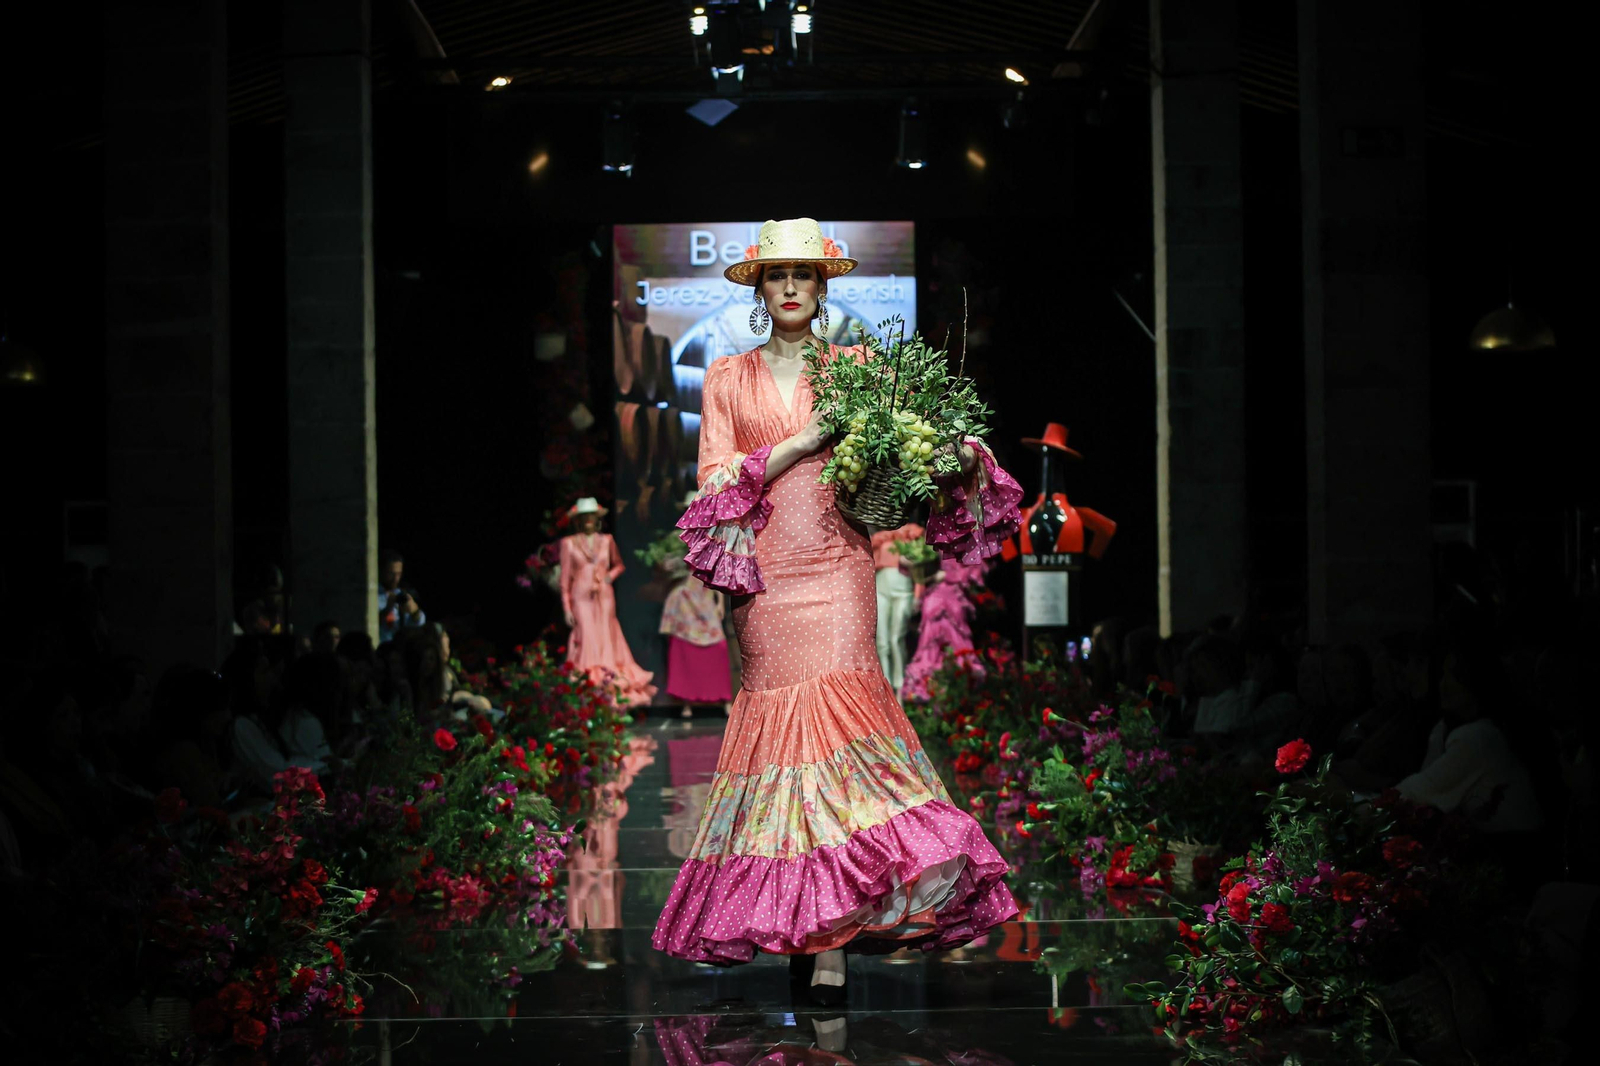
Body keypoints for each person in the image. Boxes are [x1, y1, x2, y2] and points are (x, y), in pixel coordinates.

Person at [651, 218, 1023, 1002]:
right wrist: (799, 443)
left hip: (839, 568)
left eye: (803, 274)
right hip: (765, 582)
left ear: (822, 288)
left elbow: (917, 442)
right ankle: (806, 916)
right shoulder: (727, 377)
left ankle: (831, 944)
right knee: (785, 754)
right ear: (759, 289)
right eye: (776, 274)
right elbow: (713, 482)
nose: (789, 286)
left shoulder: (859, 368)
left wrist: (954, 457)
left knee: (841, 739)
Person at [559, 498, 656, 707]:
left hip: (603, 595)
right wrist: (566, 608)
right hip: (581, 597)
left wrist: (608, 577)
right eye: (584, 516)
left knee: (605, 634)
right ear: (579, 519)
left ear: (597, 518)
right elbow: (565, 581)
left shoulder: (606, 540)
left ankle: (609, 690)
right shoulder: (569, 543)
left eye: (591, 516)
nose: (588, 519)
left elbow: (619, 565)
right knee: (587, 637)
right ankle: (588, 690)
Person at [658, 522, 733, 717]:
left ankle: (724, 699)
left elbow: (718, 574)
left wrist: (720, 603)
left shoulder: (712, 539)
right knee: (684, 646)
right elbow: (666, 567)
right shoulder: (677, 540)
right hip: (685, 599)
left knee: (717, 647)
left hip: (705, 597)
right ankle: (687, 702)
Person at [870, 523, 924, 694]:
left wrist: (918, 594)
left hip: (903, 590)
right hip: (881, 588)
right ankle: (885, 688)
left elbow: (920, 569)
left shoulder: (911, 533)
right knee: (882, 642)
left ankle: (899, 687)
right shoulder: (880, 537)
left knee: (896, 639)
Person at [377, 549, 425, 644]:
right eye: (391, 574)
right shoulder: (371, 595)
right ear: (381, 571)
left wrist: (415, 611)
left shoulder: (401, 594)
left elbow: (418, 625)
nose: (396, 578)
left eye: (399, 574)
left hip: (400, 647)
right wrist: (388, 608)